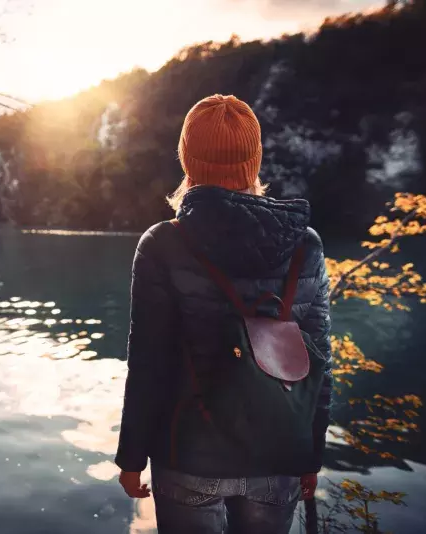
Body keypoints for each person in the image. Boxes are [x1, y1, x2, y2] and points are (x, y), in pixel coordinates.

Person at [115, 94, 333, 534]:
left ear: (187, 159)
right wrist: (310, 455)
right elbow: (319, 363)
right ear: (254, 161)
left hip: (189, 456)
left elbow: (149, 365)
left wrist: (132, 457)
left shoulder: (162, 244)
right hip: (278, 454)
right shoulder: (305, 245)